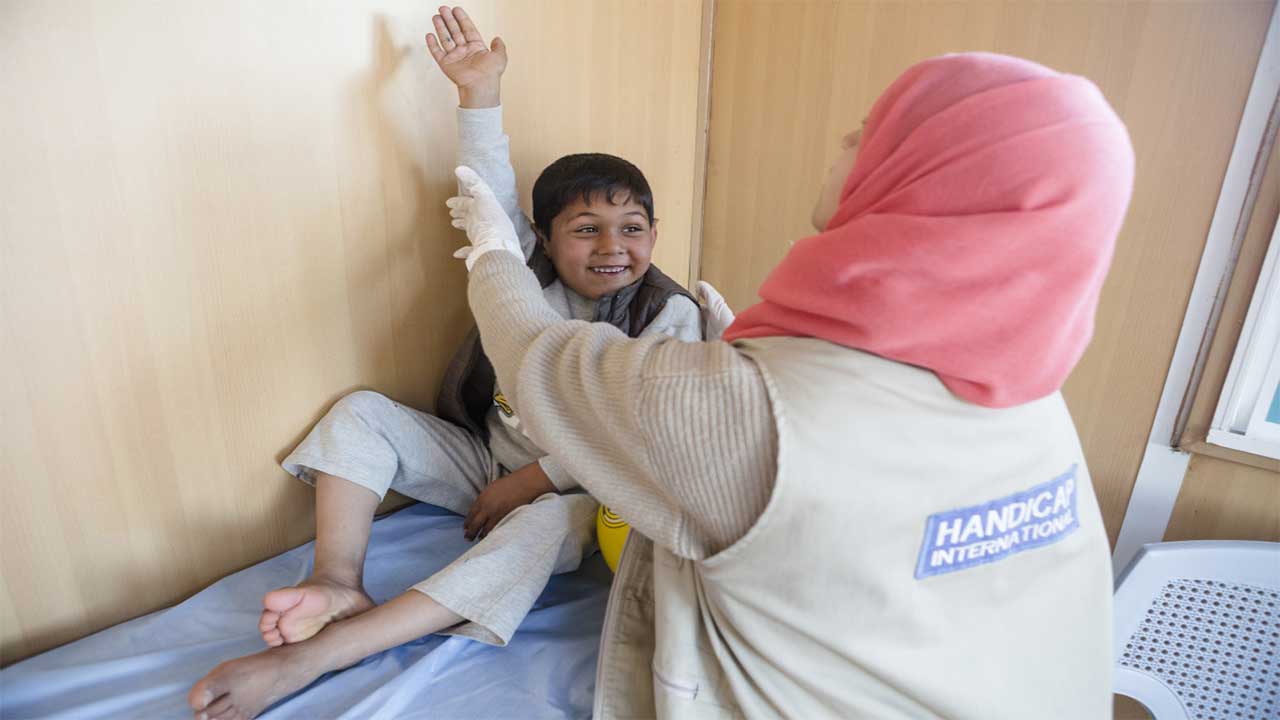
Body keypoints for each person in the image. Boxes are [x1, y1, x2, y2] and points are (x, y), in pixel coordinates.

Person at [449, 51, 1134, 717]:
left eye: (871, 134)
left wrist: (493, 253)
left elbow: (540, 359)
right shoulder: (1030, 397)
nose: (846, 141)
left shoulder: (750, 406)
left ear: (926, 180)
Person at [187, 7, 700, 719]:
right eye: (587, 229)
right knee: (361, 412)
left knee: (548, 524)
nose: (613, 246)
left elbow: (639, 438)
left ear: (654, 234)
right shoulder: (522, 271)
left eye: (632, 228)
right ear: (542, 239)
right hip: (486, 461)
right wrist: (478, 93)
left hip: (582, 489)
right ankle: (337, 581)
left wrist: (532, 482)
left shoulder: (667, 314)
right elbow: (484, 192)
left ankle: (332, 650)